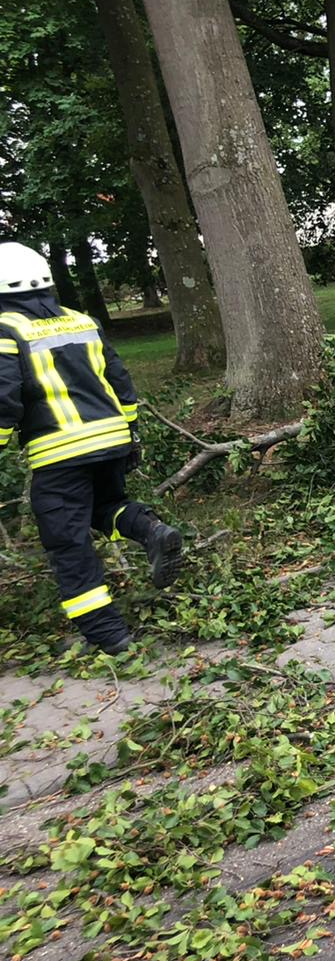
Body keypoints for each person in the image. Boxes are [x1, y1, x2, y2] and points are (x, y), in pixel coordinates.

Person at [0, 243, 184, 655]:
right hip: (111, 438)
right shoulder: (81, 320)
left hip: (59, 451)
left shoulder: (5, 328)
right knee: (105, 506)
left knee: (67, 542)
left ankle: (108, 635)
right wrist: (131, 431)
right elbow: (119, 378)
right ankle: (151, 530)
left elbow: (3, 399)